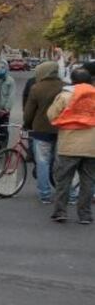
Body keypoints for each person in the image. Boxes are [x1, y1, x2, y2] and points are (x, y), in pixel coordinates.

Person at [47, 68, 95, 225]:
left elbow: (51, 115)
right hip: (91, 146)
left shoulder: (65, 96)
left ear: (72, 80)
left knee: (63, 180)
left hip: (68, 145)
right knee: (88, 182)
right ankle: (85, 215)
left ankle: (60, 212)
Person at [24, 61, 64, 203]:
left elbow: (29, 112)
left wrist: (27, 125)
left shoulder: (36, 88)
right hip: (61, 130)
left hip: (41, 130)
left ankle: (45, 194)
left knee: (43, 162)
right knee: (61, 163)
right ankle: (65, 192)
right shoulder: (65, 87)